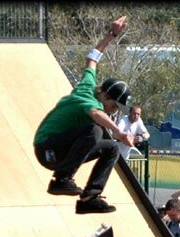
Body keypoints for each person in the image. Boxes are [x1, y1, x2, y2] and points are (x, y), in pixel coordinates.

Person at [33, 15, 134, 214]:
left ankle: (89, 197)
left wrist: (111, 34)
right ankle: (61, 179)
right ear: (105, 95)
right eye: (113, 106)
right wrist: (119, 132)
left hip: (63, 147)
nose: (113, 111)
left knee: (112, 148)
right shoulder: (87, 100)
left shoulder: (89, 82)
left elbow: (92, 58)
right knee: (95, 130)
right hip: (47, 148)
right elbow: (96, 114)